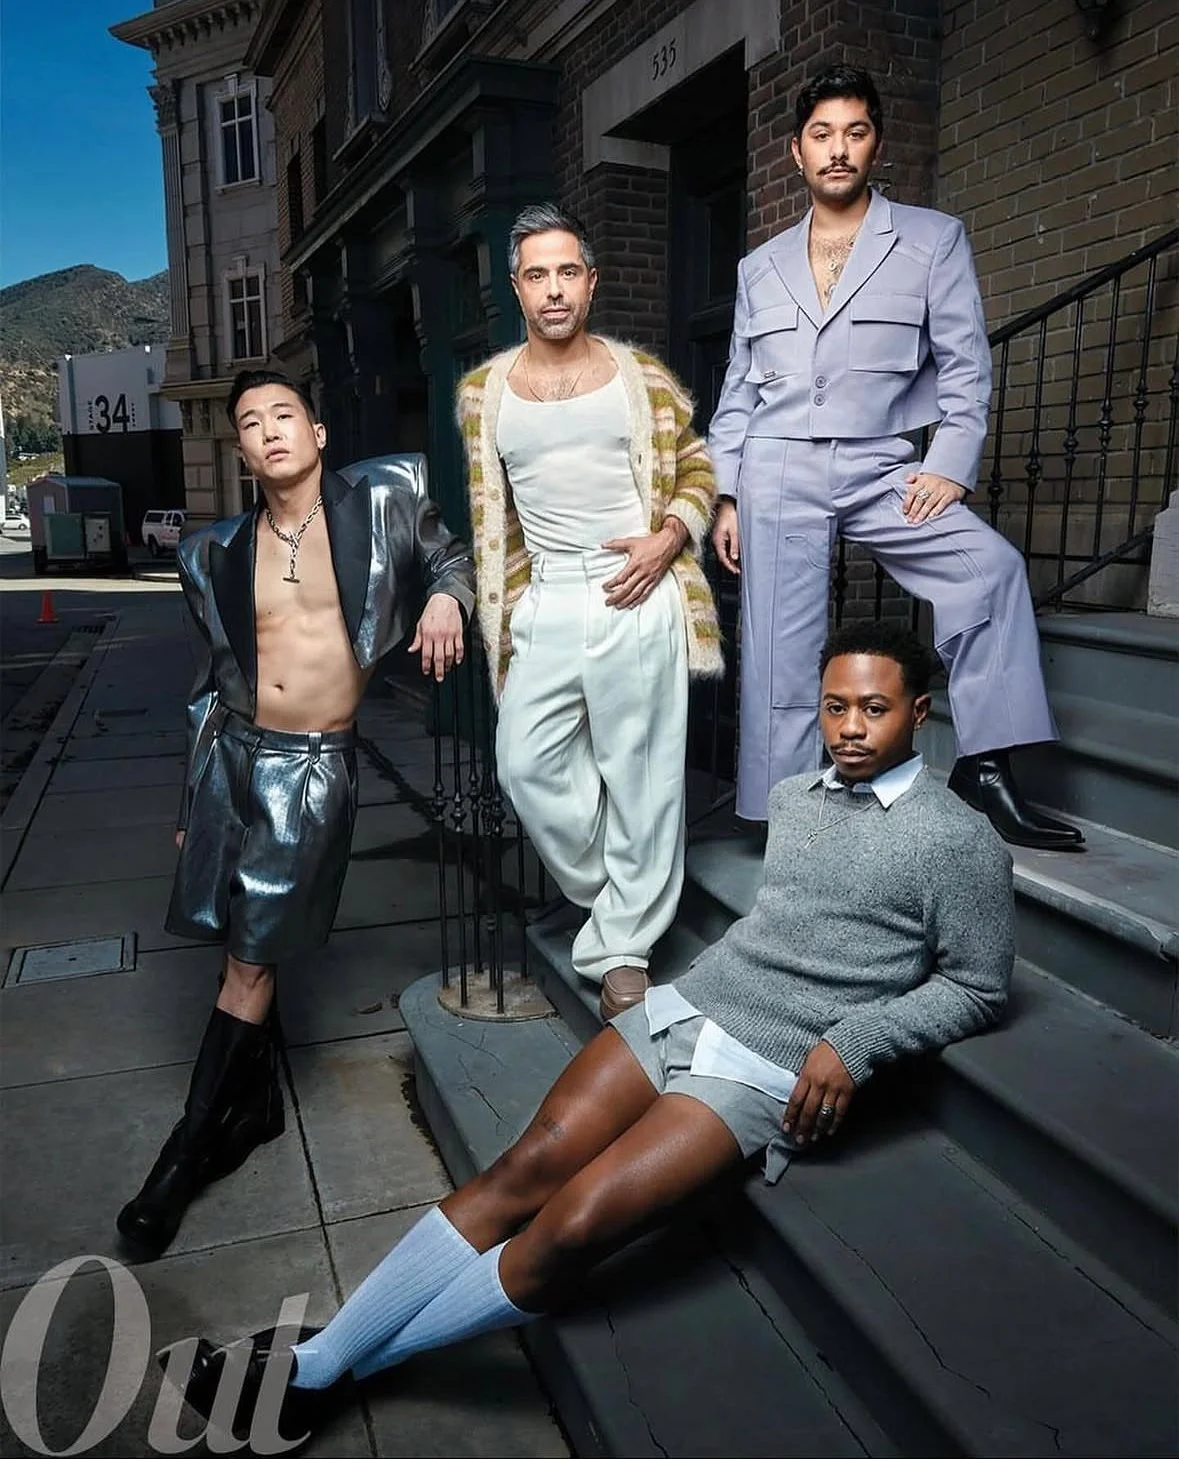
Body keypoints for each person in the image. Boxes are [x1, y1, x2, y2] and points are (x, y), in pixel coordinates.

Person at [166, 621, 1014, 1448]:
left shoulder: (955, 839)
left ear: (919, 712)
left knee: (570, 1228)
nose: (850, 729)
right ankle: (320, 1367)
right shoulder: (797, 800)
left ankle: (314, 1371)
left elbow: (977, 985)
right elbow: (783, 926)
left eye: (873, 709)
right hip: (695, 1002)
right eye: (834, 708)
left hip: (770, 1059)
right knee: (526, 1164)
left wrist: (855, 1041)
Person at [116, 370, 475, 1259]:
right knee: (238, 934)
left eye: (284, 414)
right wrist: (190, 797)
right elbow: (209, 684)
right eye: (250, 423)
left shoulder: (386, 497)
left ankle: (184, 1155)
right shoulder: (211, 553)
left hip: (310, 769)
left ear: (317, 430)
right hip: (228, 757)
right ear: (240, 451)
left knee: (247, 961)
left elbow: (454, 559)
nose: (269, 430)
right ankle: (259, 1108)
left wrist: (441, 597)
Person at [708, 63, 1083, 852]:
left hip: (882, 465)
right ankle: (786, 819)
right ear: (795, 153)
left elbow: (964, 362)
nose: (836, 149)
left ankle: (984, 765)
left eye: (853, 131)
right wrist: (728, 494)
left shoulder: (930, 239)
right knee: (780, 656)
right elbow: (738, 388)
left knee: (990, 570)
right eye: (820, 135)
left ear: (874, 143)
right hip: (775, 467)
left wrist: (948, 460)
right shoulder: (757, 267)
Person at [456, 202, 724, 1022]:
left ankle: (623, 951)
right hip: (546, 598)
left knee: (642, 777)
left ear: (591, 280)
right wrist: (489, 601)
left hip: (635, 585)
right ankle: (622, 889)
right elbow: (488, 517)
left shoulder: (641, 378)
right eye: (536, 275)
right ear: (516, 288)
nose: (553, 289)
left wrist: (669, 536)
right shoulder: (481, 393)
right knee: (525, 765)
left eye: (567, 271)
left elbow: (698, 466)